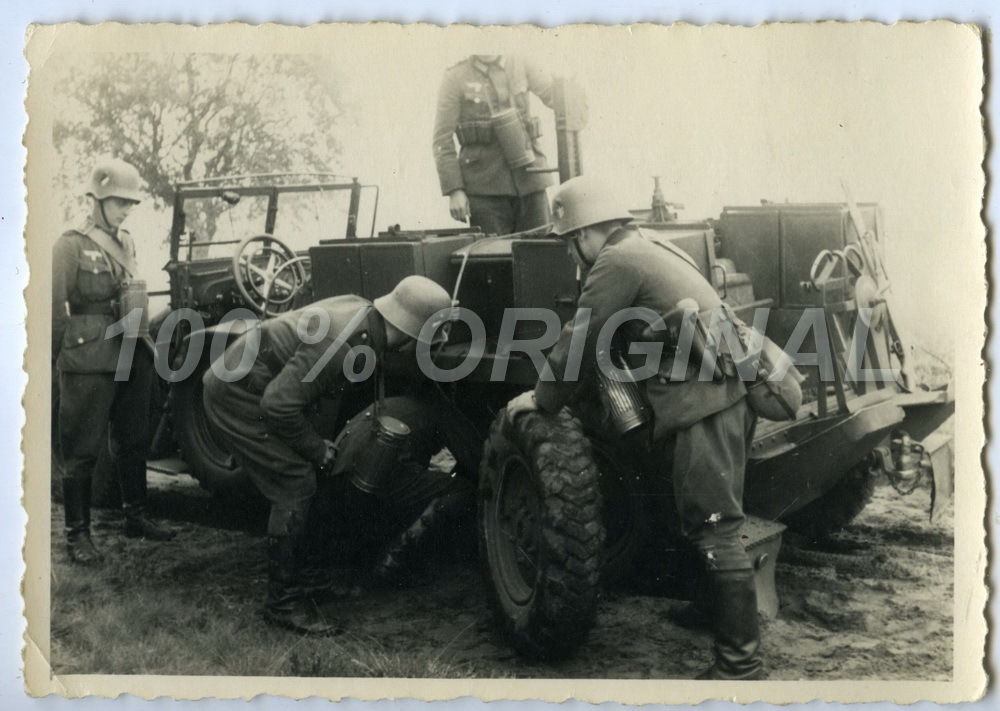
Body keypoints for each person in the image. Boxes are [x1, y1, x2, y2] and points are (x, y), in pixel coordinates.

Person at [505, 175, 764, 680]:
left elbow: (579, 340)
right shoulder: (651, 246)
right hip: (720, 397)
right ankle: (709, 609)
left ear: (583, 234)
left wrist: (539, 401)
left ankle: (741, 667)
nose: (571, 255)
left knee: (716, 530)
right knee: (692, 514)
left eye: (568, 243)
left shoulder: (616, 261)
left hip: (702, 408)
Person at [202, 275, 452, 635]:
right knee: (296, 482)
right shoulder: (343, 343)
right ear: (415, 333)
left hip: (261, 385)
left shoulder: (366, 321)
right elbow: (279, 405)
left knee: (312, 474)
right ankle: (283, 603)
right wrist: (317, 449)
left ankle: (311, 578)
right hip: (237, 395)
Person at [53, 158, 175, 566]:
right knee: (82, 447)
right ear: (97, 201)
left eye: (130, 204)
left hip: (130, 347)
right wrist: (57, 360)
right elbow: (53, 308)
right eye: (119, 202)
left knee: (134, 436)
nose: (126, 210)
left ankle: (136, 517)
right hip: (89, 355)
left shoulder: (128, 242)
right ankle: (78, 535)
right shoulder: (70, 244)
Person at [433, 54, 556, 235]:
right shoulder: (455, 76)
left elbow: (558, 97)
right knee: (493, 258)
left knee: (540, 254)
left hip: (530, 182)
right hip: (485, 190)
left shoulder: (522, 63)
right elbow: (442, 140)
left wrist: (569, 90)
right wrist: (454, 190)